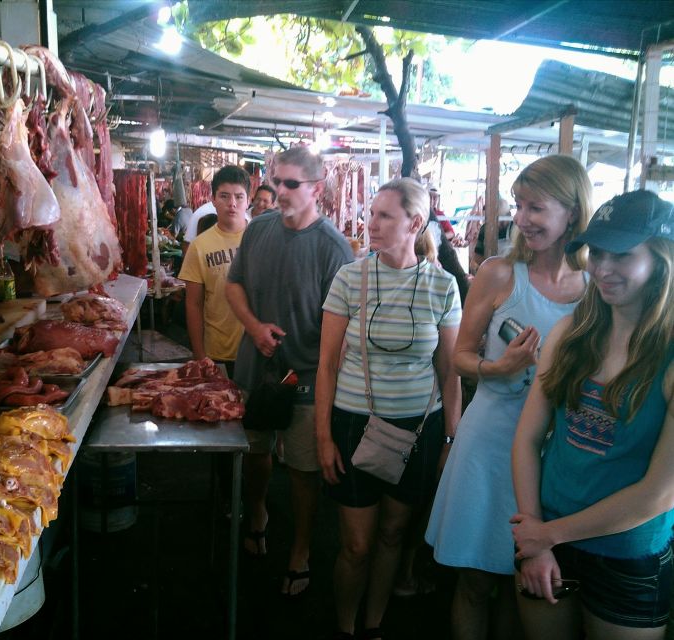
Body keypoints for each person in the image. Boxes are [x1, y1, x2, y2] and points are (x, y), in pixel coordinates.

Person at [425, 155, 592, 640]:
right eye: (519, 206)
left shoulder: (593, 290)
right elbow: (459, 356)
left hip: (554, 452)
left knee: (523, 584)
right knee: (476, 579)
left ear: (572, 213)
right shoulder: (500, 273)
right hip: (490, 444)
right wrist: (497, 368)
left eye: (535, 208)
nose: (521, 219)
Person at [511, 190, 674, 640]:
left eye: (621, 254)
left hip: (626, 554)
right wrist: (535, 537)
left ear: (660, 259)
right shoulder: (570, 332)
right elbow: (526, 440)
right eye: (596, 252)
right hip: (547, 535)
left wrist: (546, 536)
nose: (602, 268)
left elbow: (658, 496)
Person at [316, 178, 462, 640]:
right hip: (353, 422)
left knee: (394, 535)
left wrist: (450, 440)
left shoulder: (442, 286)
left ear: (414, 223)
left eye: (384, 216)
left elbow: (450, 374)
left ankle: (375, 623)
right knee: (357, 545)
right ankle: (345, 625)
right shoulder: (349, 277)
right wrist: (323, 436)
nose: (370, 223)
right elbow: (326, 366)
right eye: (371, 213)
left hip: (419, 428)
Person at [226, 145, 353, 595]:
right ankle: (257, 511)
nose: (279, 190)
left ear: (316, 188)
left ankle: (300, 549)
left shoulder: (334, 249)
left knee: (303, 469)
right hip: (256, 371)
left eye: (290, 183)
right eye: (276, 180)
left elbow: (341, 333)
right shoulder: (257, 229)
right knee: (255, 452)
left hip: (305, 378)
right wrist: (254, 326)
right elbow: (234, 284)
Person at [178, 165, 250, 368]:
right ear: (213, 199)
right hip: (216, 353)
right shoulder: (199, 246)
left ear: (248, 201)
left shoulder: (261, 241)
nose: (232, 204)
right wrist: (200, 355)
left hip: (256, 351)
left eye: (239, 197)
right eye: (224, 196)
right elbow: (193, 304)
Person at [470, 197, 514, 274]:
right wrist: (492, 267)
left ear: (509, 215)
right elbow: (477, 255)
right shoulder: (485, 229)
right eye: (496, 220)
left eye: (502, 220)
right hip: (492, 272)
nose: (499, 224)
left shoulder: (516, 228)